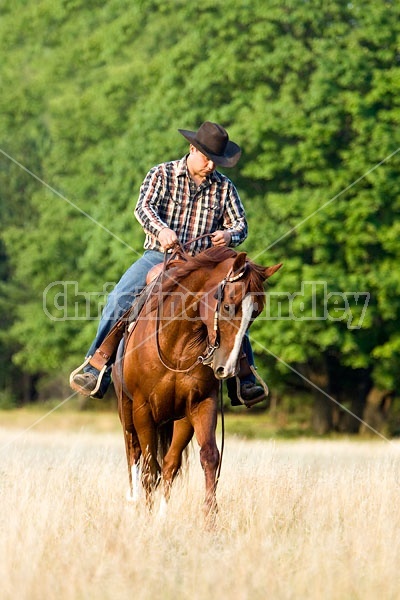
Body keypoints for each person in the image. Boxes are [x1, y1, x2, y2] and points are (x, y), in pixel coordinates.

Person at [70, 121, 266, 405]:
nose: (212, 165)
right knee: (119, 298)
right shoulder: (161, 174)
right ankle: (97, 365)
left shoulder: (224, 187)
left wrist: (228, 234)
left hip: (204, 266)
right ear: (192, 148)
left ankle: (245, 377)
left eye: (217, 161)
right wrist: (162, 231)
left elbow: (241, 225)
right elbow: (143, 207)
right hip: (160, 256)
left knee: (234, 304)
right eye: (207, 158)